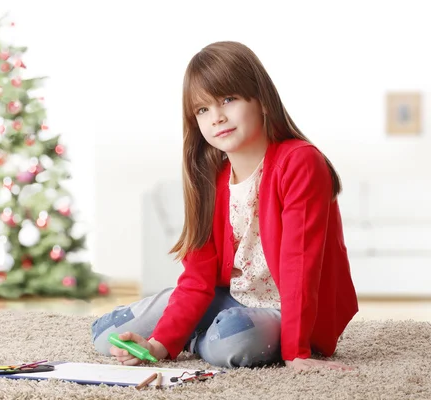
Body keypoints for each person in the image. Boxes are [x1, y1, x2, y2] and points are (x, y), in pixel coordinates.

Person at [91, 41, 358, 371]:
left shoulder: (300, 162)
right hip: (223, 299)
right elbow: (198, 279)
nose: (216, 117)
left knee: (230, 342)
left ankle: (199, 334)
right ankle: (194, 331)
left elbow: (299, 263)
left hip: (284, 310)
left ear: (261, 99)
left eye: (228, 100)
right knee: (105, 335)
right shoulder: (210, 176)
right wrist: (158, 345)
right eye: (202, 110)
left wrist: (297, 353)